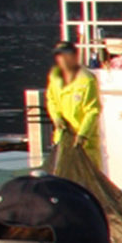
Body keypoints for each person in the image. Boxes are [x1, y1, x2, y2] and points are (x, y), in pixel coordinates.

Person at [45, 41, 103, 169]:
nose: (63, 60)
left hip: (84, 143)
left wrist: (83, 135)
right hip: (63, 138)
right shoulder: (55, 77)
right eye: (59, 56)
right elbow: (51, 100)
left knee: (86, 178)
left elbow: (93, 110)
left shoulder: (86, 80)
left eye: (66, 55)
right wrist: (56, 117)